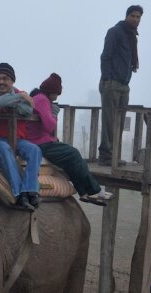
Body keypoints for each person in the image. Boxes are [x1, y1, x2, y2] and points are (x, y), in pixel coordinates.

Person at [26, 73, 113, 206]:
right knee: (73, 154)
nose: (57, 97)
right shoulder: (42, 100)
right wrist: (53, 114)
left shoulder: (39, 98)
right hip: (39, 142)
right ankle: (95, 190)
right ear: (52, 92)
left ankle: (83, 193)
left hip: (41, 139)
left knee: (70, 159)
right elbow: (50, 126)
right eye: (57, 93)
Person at [0, 62, 42, 211]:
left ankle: (30, 190)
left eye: (5, 79)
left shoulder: (18, 92)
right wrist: (19, 97)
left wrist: (3, 104)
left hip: (17, 139)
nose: (1, 82)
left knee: (34, 150)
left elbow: (27, 110)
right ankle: (18, 195)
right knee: (4, 148)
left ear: (12, 80)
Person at [98, 5, 143, 166]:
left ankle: (114, 155)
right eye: (133, 16)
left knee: (119, 122)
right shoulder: (115, 32)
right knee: (110, 121)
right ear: (126, 16)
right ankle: (106, 155)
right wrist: (107, 79)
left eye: (138, 17)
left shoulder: (132, 36)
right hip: (111, 83)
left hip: (124, 84)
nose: (135, 19)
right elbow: (106, 56)